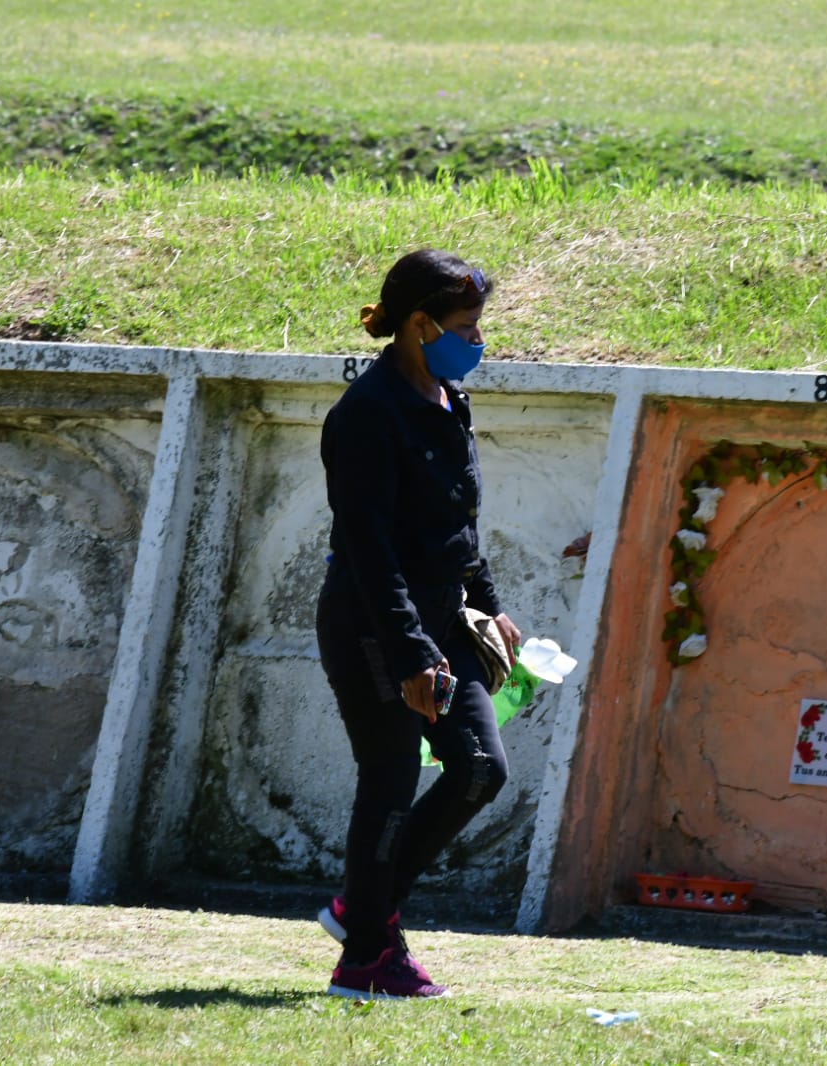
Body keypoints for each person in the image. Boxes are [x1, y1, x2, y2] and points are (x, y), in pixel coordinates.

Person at [314, 248, 522, 1000]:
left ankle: (359, 911)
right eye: (466, 327)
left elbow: (455, 521)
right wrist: (409, 653)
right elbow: (368, 548)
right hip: (376, 622)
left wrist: (489, 603)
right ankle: (367, 958)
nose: (478, 342)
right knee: (392, 781)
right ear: (419, 323)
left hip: (444, 617)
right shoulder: (367, 415)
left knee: (478, 769)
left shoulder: (445, 396)